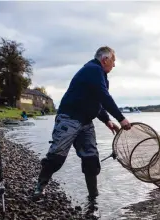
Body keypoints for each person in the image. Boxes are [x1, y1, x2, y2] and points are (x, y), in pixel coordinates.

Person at [32, 46, 131, 199]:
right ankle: (40, 185)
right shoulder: (92, 69)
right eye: (113, 61)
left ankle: (93, 196)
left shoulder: (101, 75)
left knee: (91, 159)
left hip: (86, 122)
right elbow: (104, 96)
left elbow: (97, 102)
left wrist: (107, 120)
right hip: (69, 118)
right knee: (57, 157)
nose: (114, 65)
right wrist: (121, 118)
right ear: (105, 60)